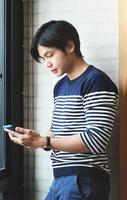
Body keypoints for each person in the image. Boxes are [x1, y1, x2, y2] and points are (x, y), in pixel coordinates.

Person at [4, 20, 118, 200]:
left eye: (50, 55)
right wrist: (35, 138)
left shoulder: (96, 81)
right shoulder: (60, 86)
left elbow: (96, 140)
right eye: (43, 59)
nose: (47, 64)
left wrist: (44, 141)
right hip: (61, 179)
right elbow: (58, 132)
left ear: (70, 46)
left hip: (83, 180)